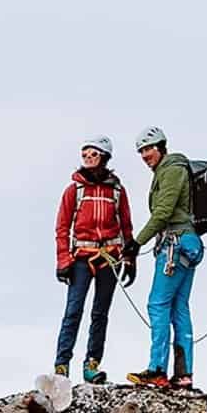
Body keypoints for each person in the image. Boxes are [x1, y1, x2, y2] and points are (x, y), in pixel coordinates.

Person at [124, 126, 203, 389]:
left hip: (174, 244)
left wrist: (136, 243)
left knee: (157, 305)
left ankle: (157, 369)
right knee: (179, 307)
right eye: (142, 151)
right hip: (187, 243)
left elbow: (163, 212)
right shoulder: (173, 168)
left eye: (149, 149)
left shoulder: (170, 170)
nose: (145, 155)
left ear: (161, 147)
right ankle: (183, 375)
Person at [53, 136, 135, 384]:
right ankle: (61, 366)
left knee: (100, 313)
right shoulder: (74, 191)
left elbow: (126, 227)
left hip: (109, 259)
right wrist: (63, 260)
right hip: (81, 259)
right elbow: (62, 227)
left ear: (105, 157)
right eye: (85, 154)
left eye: (93, 154)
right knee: (73, 311)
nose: (88, 158)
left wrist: (130, 258)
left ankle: (92, 364)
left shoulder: (117, 191)